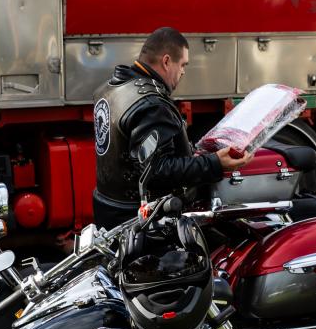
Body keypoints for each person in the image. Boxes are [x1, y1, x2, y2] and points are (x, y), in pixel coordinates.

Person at [92, 27, 253, 227]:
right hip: (140, 223)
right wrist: (215, 164)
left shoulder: (112, 88)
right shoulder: (152, 105)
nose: (183, 71)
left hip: (108, 211)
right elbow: (157, 171)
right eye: (183, 64)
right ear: (166, 61)